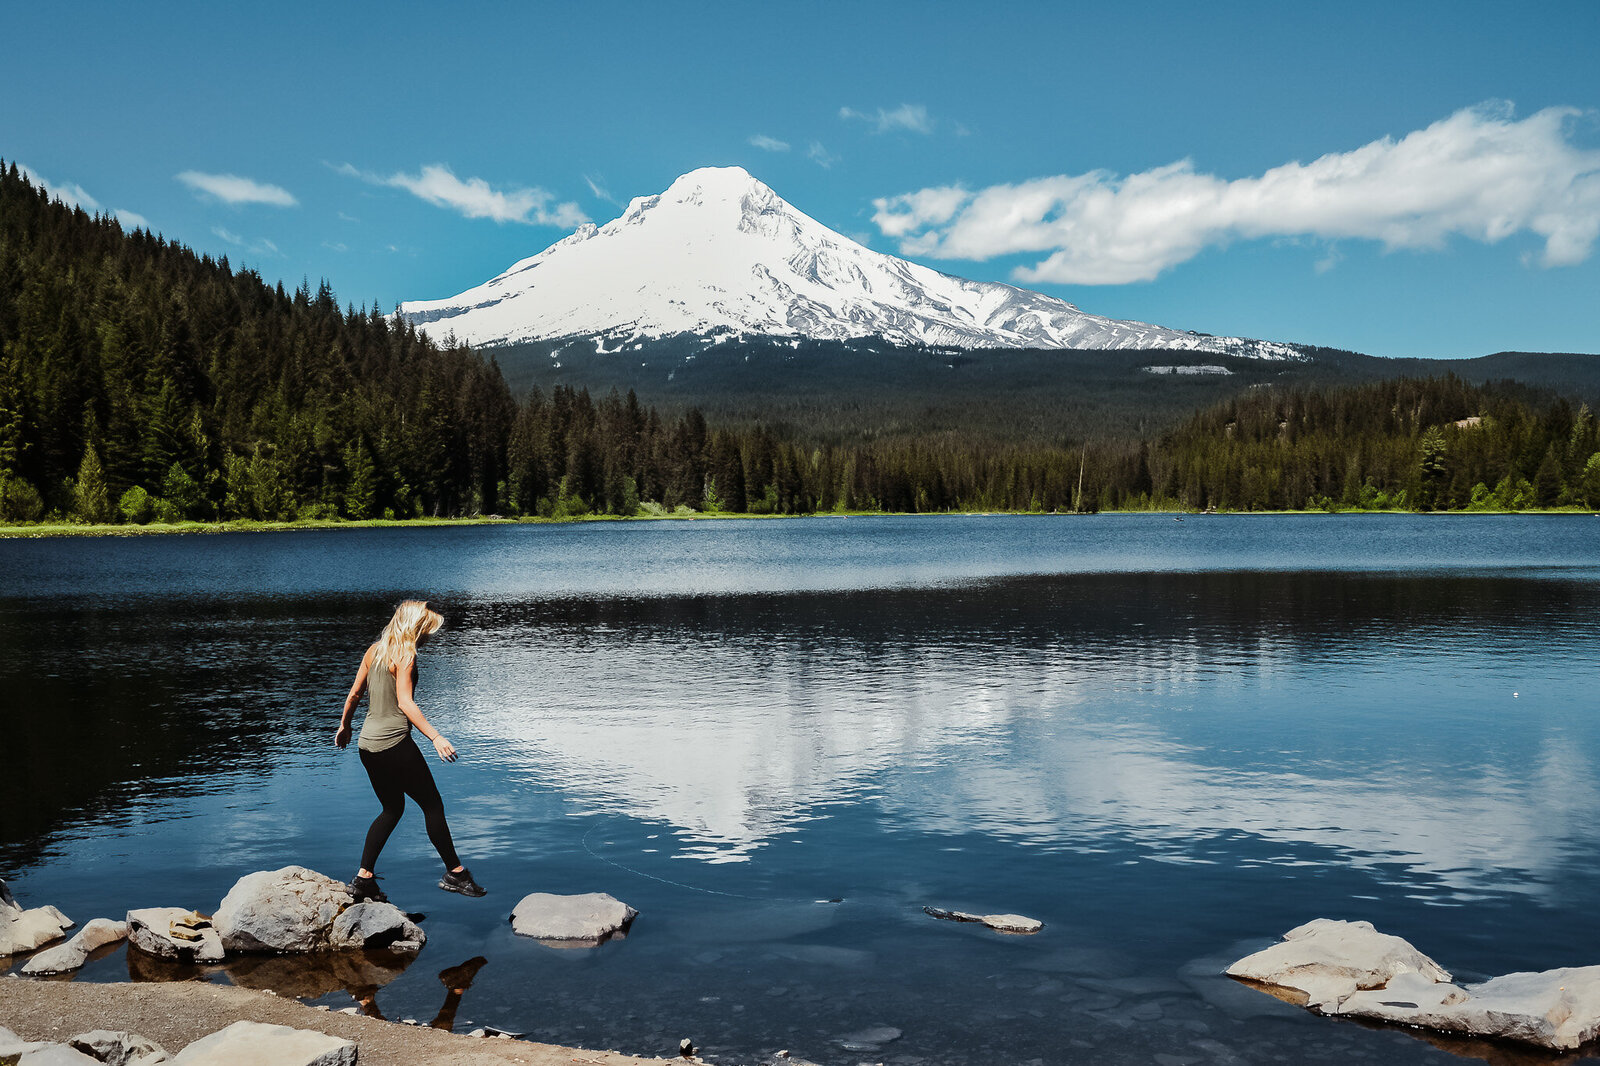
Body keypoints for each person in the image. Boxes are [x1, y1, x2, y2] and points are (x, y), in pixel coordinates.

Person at [335, 600, 486, 899]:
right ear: (415, 628)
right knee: (432, 806)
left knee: (392, 809)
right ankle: (456, 873)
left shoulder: (373, 650)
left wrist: (345, 726)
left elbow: (354, 694)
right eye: (427, 630)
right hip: (394, 745)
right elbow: (405, 702)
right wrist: (436, 737)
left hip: (367, 745)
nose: (429, 636)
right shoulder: (406, 655)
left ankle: (363, 879)